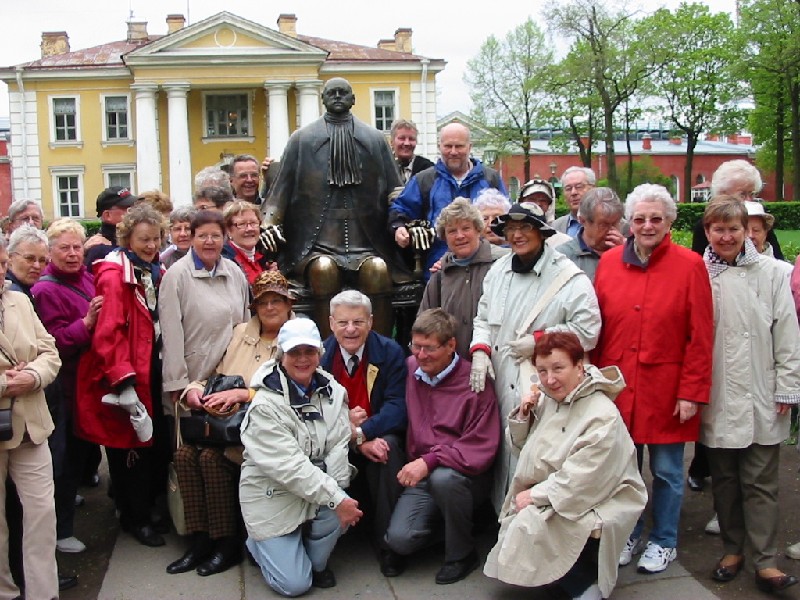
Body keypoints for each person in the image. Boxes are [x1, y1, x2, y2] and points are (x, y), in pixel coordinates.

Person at [593, 183, 713, 574]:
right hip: (618, 386)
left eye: (656, 219)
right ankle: (627, 532)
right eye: (640, 218)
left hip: (666, 390)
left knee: (667, 472)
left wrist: (691, 392)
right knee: (622, 470)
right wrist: (594, 385)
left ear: (669, 222)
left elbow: (700, 335)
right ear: (629, 222)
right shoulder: (609, 262)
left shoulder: (690, 265)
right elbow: (598, 327)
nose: (647, 226)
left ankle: (664, 540)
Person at [484, 331, 647, 600]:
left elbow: (585, 477)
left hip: (600, 494)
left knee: (531, 520)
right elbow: (522, 448)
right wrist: (524, 415)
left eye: (558, 368)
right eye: (542, 371)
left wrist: (535, 494)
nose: (550, 379)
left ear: (579, 367)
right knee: (522, 515)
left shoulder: (601, 413)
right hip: (561, 484)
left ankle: (584, 586)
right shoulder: (550, 399)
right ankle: (560, 578)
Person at [469, 201, 601, 511]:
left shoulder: (569, 278)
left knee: (537, 456)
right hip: (500, 377)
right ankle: (502, 517)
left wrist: (540, 341)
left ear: (541, 232)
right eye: (511, 228)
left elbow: (588, 331)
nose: (517, 235)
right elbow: (483, 317)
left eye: (525, 227)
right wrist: (480, 350)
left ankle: (531, 517)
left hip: (542, 384)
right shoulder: (498, 271)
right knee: (502, 449)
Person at [698, 197, 800, 593]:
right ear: (707, 232)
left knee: (761, 481)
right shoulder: (698, 274)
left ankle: (765, 560)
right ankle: (732, 549)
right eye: (718, 229)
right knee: (725, 480)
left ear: (747, 231)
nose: (726, 237)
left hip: (761, 390)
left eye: (734, 229)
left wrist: (788, 385)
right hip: (718, 392)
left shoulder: (772, 273)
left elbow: (787, 334)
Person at [166, 271, 294, 577]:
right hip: (225, 426)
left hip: (265, 431)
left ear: (289, 304)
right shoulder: (240, 334)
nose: (270, 308)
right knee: (184, 455)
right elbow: (216, 374)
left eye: (277, 301)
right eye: (263, 302)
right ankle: (200, 539)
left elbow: (295, 390)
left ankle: (227, 543)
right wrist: (194, 389)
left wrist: (246, 394)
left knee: (212, 459)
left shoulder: (296, 338)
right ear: (255, 307)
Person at [262, 77, 411, 336]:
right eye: (332, 92)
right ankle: (326, 347)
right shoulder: (301, 140)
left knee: (377, 271)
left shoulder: (375, 139)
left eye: (344, 92)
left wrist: (405, 221)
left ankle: (380, 348)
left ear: (353, 99)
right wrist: (268, 223)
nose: (338, 97)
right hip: (316, 244)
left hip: (368, 242)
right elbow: (279, 192)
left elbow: (396, 191)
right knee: (324, 270)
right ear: (323, 99)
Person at [241, 318, 361, 596]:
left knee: (316, 564)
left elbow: (338, 444)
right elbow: (290, 467)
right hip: (273, 492)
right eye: (294, 352)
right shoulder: (264, 405)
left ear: (320, 353)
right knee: (295, 585)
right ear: (281, 355)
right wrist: (337, 499)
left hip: (318, 487)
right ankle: (256, 545)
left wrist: (338, 494)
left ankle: (307, 557)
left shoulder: (334, 391)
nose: (303, 359)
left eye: (309, 351)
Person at [384, 309, 500, 584]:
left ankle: (461, 554)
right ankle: (457, 525)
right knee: (400, 540)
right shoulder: (410, 368)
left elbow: (479, 446)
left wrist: (430, 461)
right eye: (416, 346)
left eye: (430, 348)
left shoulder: (474, 381)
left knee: (444, 480)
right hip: (422, 473)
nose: (421, 355)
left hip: (464, 475)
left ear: (451, 345)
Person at [75, 204, 168, 547]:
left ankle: (146, 510)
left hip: (150, 367)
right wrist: (123, 380)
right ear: (128, 239)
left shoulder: (154, 270)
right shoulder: (115, 274)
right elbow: (108, 333)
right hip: (126, 373)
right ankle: (135, 518)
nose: (151, 245)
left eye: (155, 238)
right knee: (130, 451)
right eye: (144, 239)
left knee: (151, 445)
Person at [319, 290, 407, 576]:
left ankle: (388, 544)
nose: (351, 330)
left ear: (370, 321)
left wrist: (362, 432)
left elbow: (397, 406)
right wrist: (353, 436)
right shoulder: (318, 356)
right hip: (333, 436)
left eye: (358, 322)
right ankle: (321, 545)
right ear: (331, 323)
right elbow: (314, 412)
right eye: (343, 322)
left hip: (375, 430)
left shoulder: (390, 352)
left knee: (387, 450)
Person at [32, 219, 102, 557]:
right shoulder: (45, 291)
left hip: (84, 383)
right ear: (51, 252)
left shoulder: (87, 277)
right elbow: (52, 343)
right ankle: (61, 531)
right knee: (63, 458)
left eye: (77, 247)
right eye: (65, 248)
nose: (73, 254)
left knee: (76, 453)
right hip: (63, 386)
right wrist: (86, 324)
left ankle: (66, 507)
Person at [0, 234, 62, 600]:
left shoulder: (20, 300)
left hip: (30, 425)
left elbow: (49, 351)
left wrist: (34, 376)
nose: (1, 273)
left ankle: (43, 593)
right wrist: (5, 384)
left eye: (1, 265)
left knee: (41, 513)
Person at [390, 122, 507, 276]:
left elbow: (506, 220)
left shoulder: (490, 178)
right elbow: (401, 209)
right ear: (439, 147)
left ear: (469, 147)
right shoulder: (425, 180)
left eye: (459, 146)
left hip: (485, 267)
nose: (453, 152)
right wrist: (399, 227)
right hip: (440, 269)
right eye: (448, 146)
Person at [159, 210, 250, 408]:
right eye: (202, 236)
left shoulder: (234, 272)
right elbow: (171, 333)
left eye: (215, 236)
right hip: (194, 377)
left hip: (230, 378)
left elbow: (246, 325)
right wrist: (177, 383)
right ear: (192, 239)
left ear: (225, 238)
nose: (209, 242)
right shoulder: (176, 276)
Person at [419, 198, 502, 358]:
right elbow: (425, 323)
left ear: (478, 229)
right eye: (452, 231)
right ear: (444, 237)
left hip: (495, 360)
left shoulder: (501, 264)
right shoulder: (440, 274)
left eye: (466, 228)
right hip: (454, 364)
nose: (460, 236)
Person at [691, 159, 783, 259]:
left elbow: (778, 259)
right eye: (742, 194)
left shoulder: (759, 219)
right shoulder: (708, 224)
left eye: (752, 194)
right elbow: (697, 263)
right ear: (722, 194)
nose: (749, 200)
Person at [556, 187, 625, 282]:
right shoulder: (563, 257)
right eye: (603, 225)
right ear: (583, 221)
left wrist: (623, 255)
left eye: (616, 223)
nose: (611, 230)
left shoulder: (629, 253)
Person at [84, 186, 136, 267]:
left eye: (134, 207)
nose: (133, 212)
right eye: (127, 208)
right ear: (107, 215)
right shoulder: (100, 250)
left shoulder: (134, 239)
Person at [222, 200, 271, 285]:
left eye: (253, 223)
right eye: (242, 224)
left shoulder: (264, 260)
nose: (249, 229)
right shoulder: (225, 262)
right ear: (228, 230)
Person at [517, 178, 571, 247]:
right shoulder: (512, 236)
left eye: (543, 200)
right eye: (532, 199)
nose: (538, 204)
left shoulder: (563, 241)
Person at [744, 201, 792, 276]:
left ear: (765, 233)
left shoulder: (784, 271)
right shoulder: (725, 269)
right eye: (745, 230)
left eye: (756, 230)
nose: (750, 236)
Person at [6, 225, 49, 299]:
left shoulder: (25, 289)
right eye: (29, 258)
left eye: (42, 260)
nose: (37, 266)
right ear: (10, 258)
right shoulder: (12, 295)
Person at [552, 167, 596, 237]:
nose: (573, 192)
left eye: (579, 187)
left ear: (593, 189)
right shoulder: (556, 226)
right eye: (568, 189)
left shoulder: (609, 222)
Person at [390, 119, 434, 184]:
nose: (407, 143)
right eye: (402, 138)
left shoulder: (428, 169)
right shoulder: (383, 169)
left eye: (411, 139)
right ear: (392, 142)